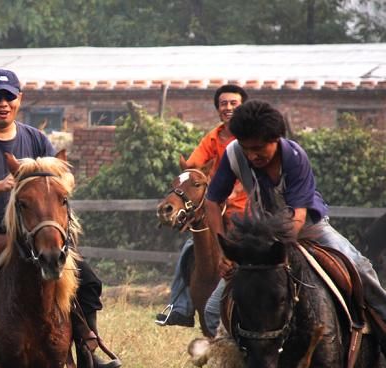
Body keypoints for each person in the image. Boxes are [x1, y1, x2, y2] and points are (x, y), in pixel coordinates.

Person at [0, 68, 122, 368]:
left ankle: (88, 349)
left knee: (89, 280)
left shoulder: (37, 140)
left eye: (9, 96)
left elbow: (57, 182)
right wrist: (2, 185)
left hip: (33, 232)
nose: (3, 103)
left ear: (19, 99)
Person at [203, 100, 386, 333]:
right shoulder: (233, 154)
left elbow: (298, 217)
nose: (252, 155)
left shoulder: (295, 156)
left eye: (259, 148)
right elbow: (211, 201)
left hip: (309, 226)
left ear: (276, 139)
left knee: (358, 265)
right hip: (266, 230)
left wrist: (276, 253)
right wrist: (225, 253)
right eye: (246, 148)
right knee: (212, 310)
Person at [156, 84, 248, 327]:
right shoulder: (213, 137)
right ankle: (181, 306)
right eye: (223, 104)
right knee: (190, 246)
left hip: (247, 209)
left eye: (233, 103)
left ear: (243, 107)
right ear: (218, 109)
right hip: (217, 205)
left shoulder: (251, 138)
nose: (228, 108)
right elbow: (194, 166)